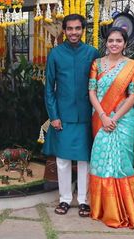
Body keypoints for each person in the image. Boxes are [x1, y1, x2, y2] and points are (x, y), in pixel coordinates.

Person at [88, 27, 134, 228]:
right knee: (100, 161)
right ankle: (103, 209)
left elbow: (132, 96)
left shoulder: (132, 66)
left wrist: (114, 119)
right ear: (106, 43)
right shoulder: (97, 64)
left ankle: (126, 210)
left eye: (118, 41)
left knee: (122, 162)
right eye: (111, 40)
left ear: (125, 44)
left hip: (123, 120)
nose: (114, 44)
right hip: (101, 117)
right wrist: (103, 116)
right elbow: (92, 92)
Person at [43, 14, 100, 217]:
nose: (74, 32)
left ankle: (84, 200)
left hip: (87, 115)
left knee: (85, 159)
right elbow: (49, 88)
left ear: (83, 29)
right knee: (63, 159)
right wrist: (54, 115)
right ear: (64, 30)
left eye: (77, 28)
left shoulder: (92, 53)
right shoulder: (56, 54)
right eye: (70, 29)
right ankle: (65, 199)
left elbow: (101, 84)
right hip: (63, 115)